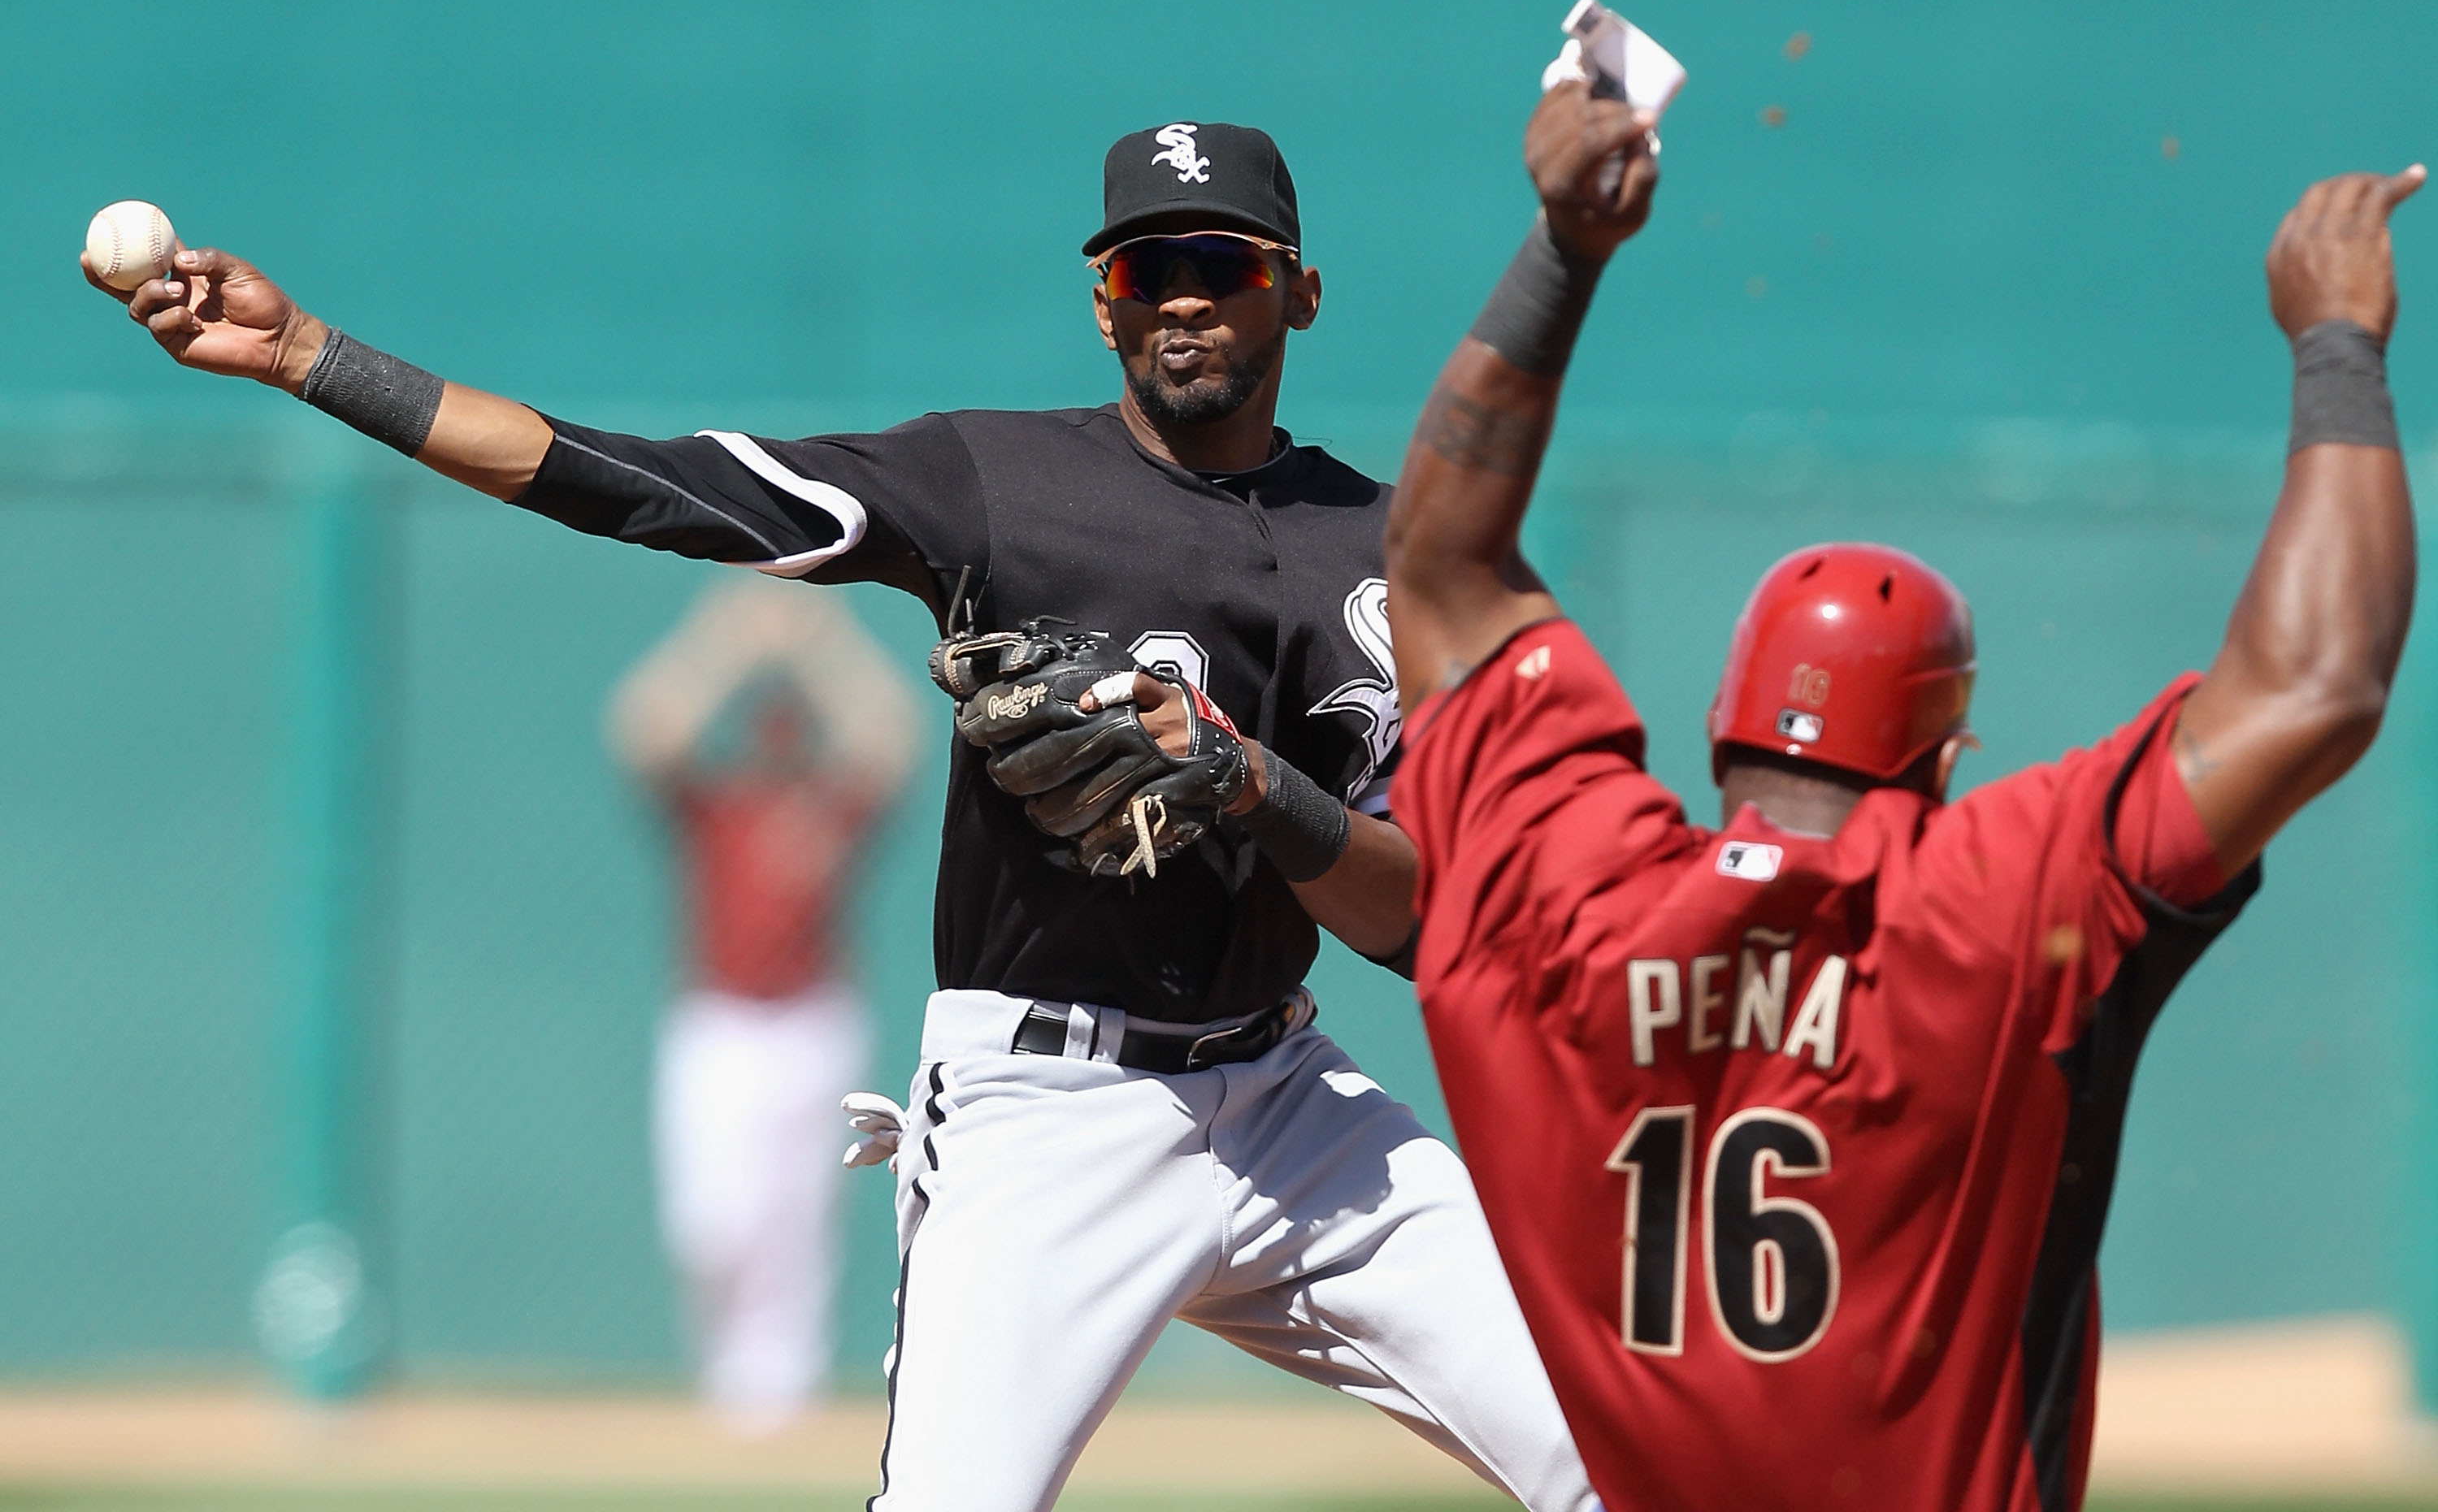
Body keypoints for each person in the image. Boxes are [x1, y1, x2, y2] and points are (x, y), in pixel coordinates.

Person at [85, 121, 1598, 1512]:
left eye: (1224, 265)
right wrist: (312, 360)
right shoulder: (994, 484)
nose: (1184, 298)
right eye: (1148, 266)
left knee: (1619, 1443)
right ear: (1103, 303)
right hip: (1045, 1118)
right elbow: (644, 486)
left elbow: (1422, 924)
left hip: (1287, 1101)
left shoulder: (1381, 550)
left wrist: (1253, 786)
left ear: (1300, 294)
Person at [1380, 70, 2422, 1512]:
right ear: (1937, 759)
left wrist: (1563, 251)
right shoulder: (1990, 905)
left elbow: (1436, 569)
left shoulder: (1561, 900)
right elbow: (2320, 689)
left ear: (1723, 732)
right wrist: (2338, 346)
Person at [608, 577, 916, 1430]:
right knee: (710, 1220)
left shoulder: (830, 803)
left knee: (795, 1219)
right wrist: (726, 640)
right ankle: (731, 1376)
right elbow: (641, 730)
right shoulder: (718, 805)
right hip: (719, 1025)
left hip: (815, 1022)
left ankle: (777, 1400)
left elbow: (893, 736)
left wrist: (823, 645)